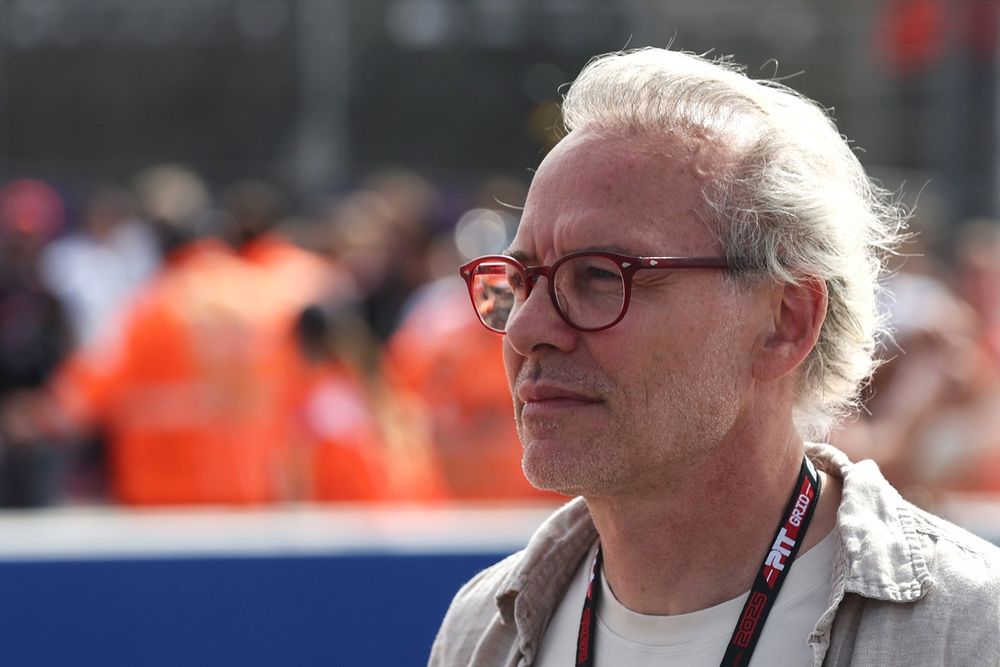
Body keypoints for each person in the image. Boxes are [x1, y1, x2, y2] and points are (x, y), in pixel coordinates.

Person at [429, 48, 1000, 666]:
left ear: (785, 322)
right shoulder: (482, 633)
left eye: (599, 275)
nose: (526, 329)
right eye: (520, 281)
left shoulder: (967, 634)